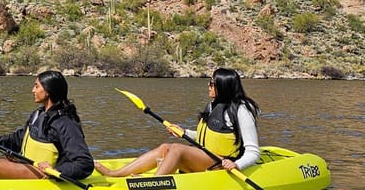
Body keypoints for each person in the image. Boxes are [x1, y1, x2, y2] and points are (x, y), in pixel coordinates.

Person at [95, 68, 261, 177]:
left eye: (212, 83)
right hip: (207, 157)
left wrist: (237, 165)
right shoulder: (213, 105)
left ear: (223, 86)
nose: (208, 86)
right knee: (166, 148)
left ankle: (153, 184)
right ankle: (115, 174)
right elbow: (212, 137)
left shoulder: (242, 110)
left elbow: (253, 151)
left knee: (176, 149)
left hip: (221, 164)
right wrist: (185, 133)